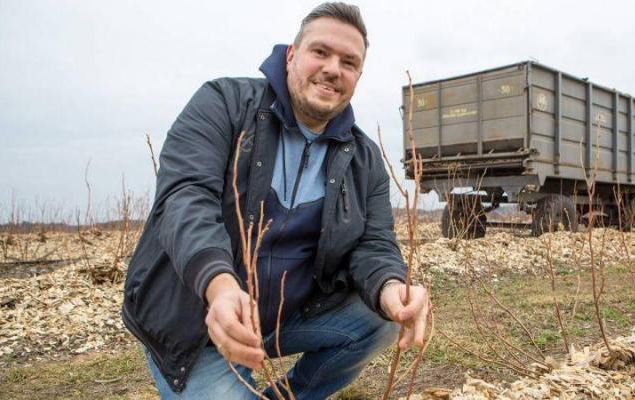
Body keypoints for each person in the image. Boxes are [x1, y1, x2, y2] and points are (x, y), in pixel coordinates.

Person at [121, 2, 430, 399]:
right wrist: (217, 286)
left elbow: (373, 243)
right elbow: (185, 198)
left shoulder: (363, 157)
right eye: (320, 52)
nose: (334, 68)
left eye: (349, 62)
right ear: (291, 55)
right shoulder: (224, 104)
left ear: (358, 75)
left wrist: (390, 287)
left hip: (284, 316)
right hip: (198, 321)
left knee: (380, 316)